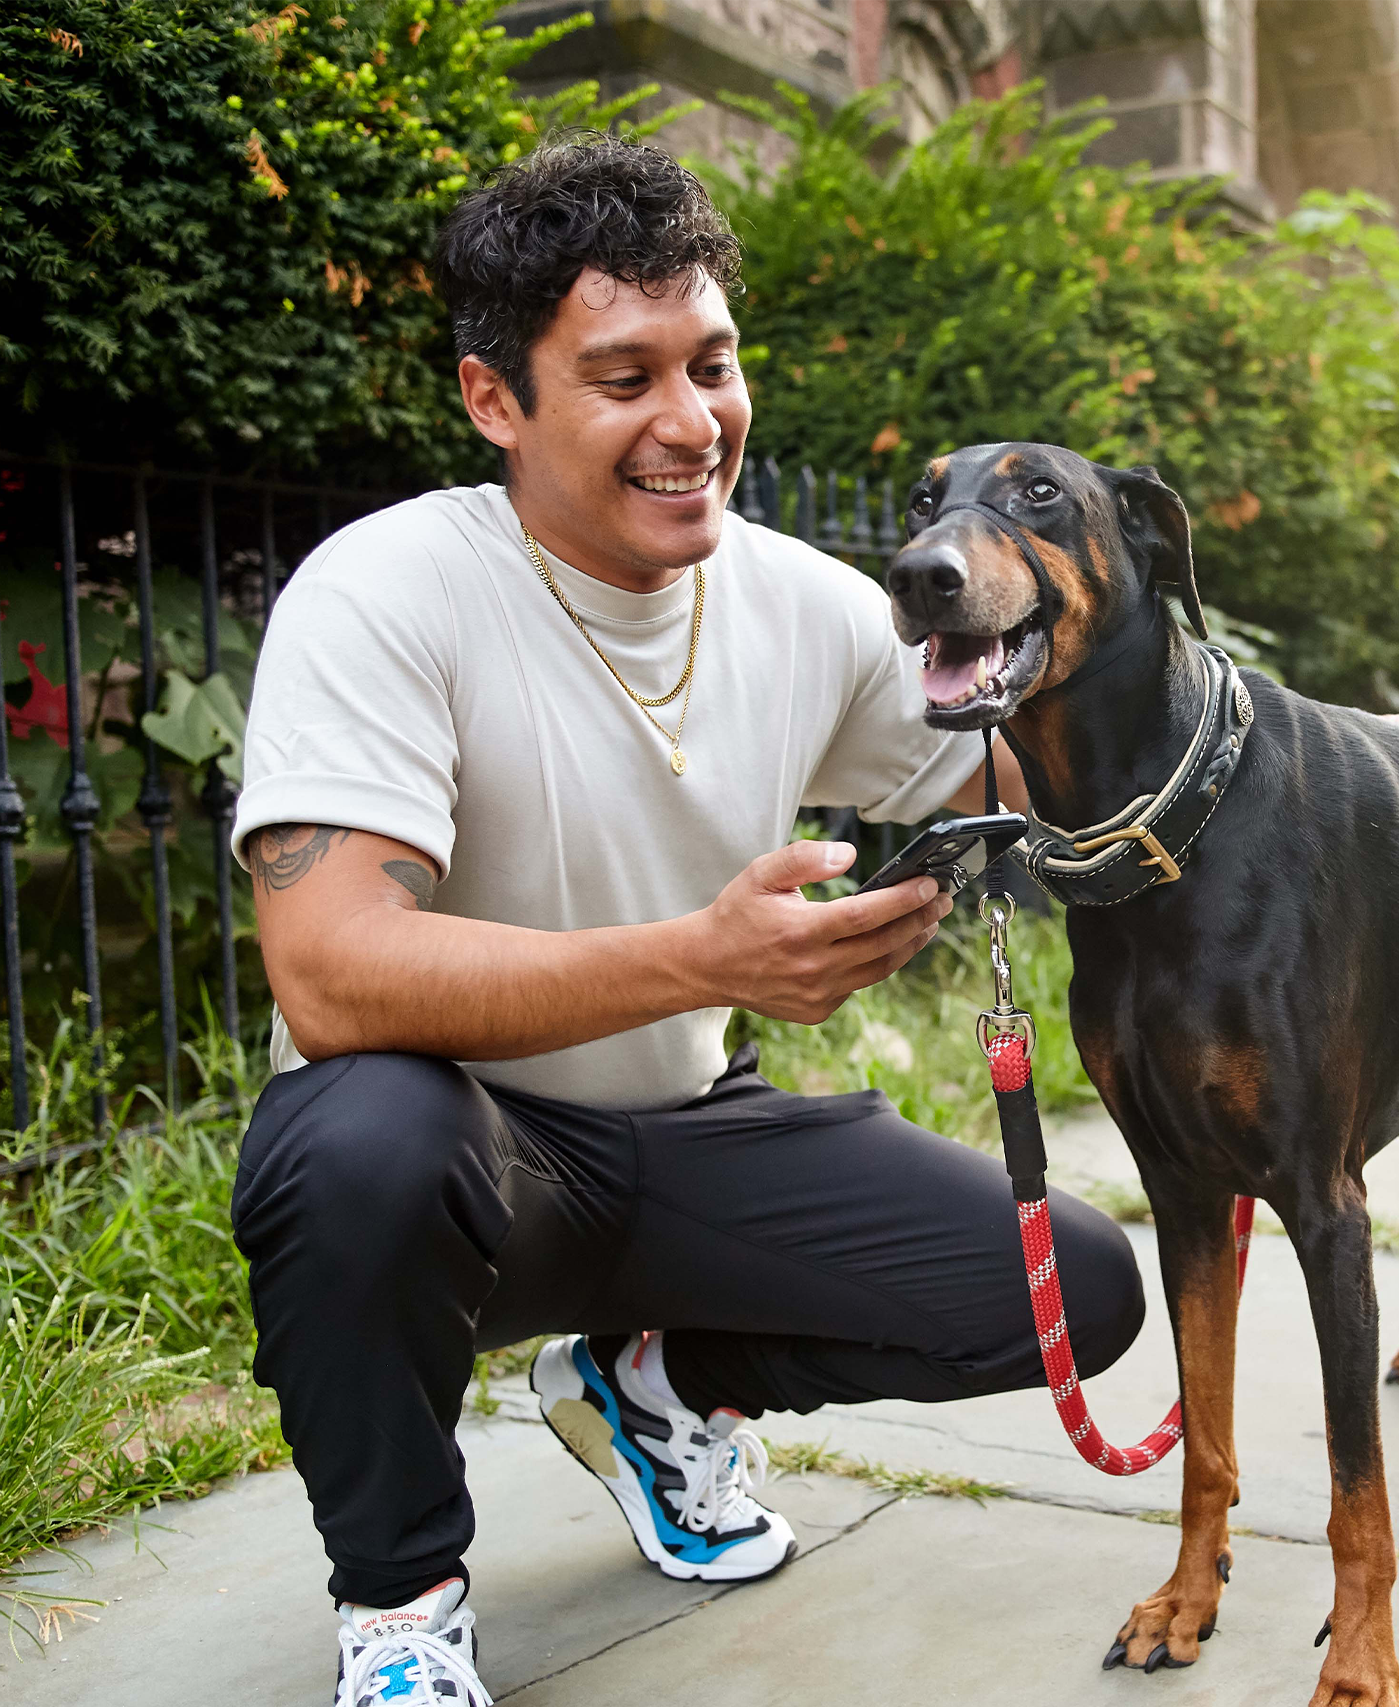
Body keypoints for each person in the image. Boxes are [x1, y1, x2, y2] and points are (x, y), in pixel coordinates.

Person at [225, 137, 1146, 1707]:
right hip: (471, 1157)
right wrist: (702, 960)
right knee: (352, 1142)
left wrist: (1348, 749)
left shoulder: (803, 602)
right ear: (494, 402)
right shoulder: (381, 592)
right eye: (623, 375)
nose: (690, 423)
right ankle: (402, 1606)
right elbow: (328, 970)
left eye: (712, 364)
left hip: (688, 1136)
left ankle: (649, 1379)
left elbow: (1032, 761)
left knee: (1076, 1286)